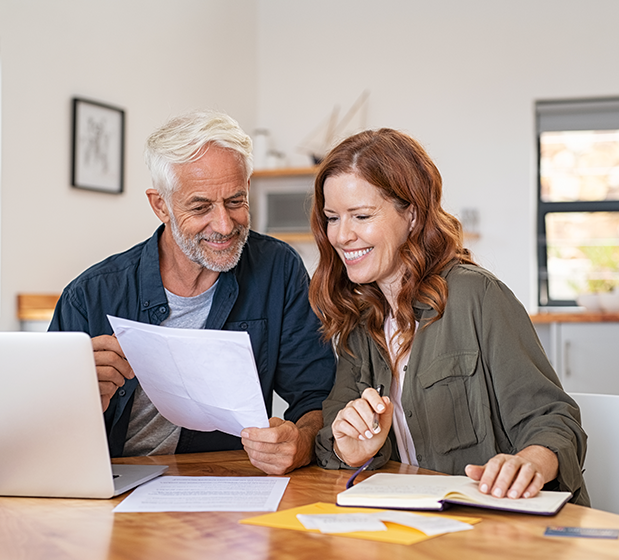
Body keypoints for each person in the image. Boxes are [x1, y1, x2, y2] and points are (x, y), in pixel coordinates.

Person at [310, 128, 589, 505]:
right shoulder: (360, 320)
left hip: (497, 519)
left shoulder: (477, 296)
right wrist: (352, 449)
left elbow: (554, 421)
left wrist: (529, 462)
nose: (342, 236)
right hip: (415, 520)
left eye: (361, 216)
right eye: (332, 218)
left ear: (411, 215)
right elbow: (331, 435)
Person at [49, 110, 336, 475]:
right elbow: (39, 426)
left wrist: (301, 442)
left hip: (222, 481)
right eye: (200, 207)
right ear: (160, 205)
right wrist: (75, 394)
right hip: (111, 482)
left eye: (235, 201)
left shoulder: (278, 269)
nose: (224, 225)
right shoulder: (90, 295)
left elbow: (316, 397)